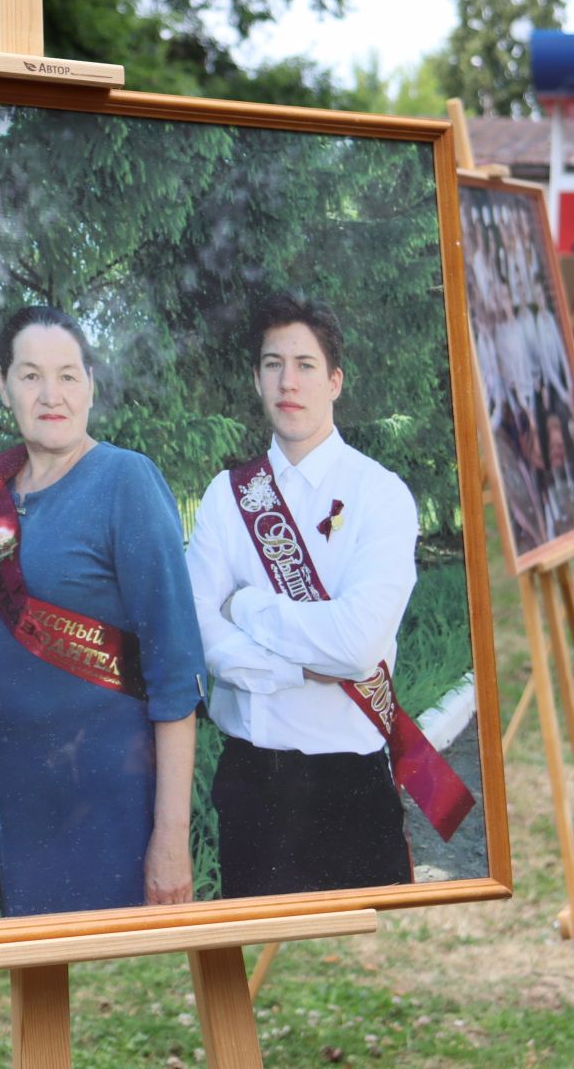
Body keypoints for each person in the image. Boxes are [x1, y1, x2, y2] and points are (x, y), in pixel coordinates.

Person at [184, 292, 473, 898]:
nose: (288, 381)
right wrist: (290, 670)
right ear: (257, 377)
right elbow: (195, 626)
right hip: (249, 784)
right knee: (260, 978)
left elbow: (356, 646)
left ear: (335, 381)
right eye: (272, 364)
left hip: (349, 788)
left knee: (363, 977)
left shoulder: (380, 495)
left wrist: (245, 607)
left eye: (305, 365)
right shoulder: (225, 496)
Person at [0, 306, 204, 916]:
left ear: (90, 384)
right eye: (31, 375)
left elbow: (174, 672)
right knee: (37, 991)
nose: (51, 394)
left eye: (68, 374)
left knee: (111, 994)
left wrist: (170, 842)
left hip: (105, 804)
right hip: (12, 799)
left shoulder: (126, 481)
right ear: (3, 386)